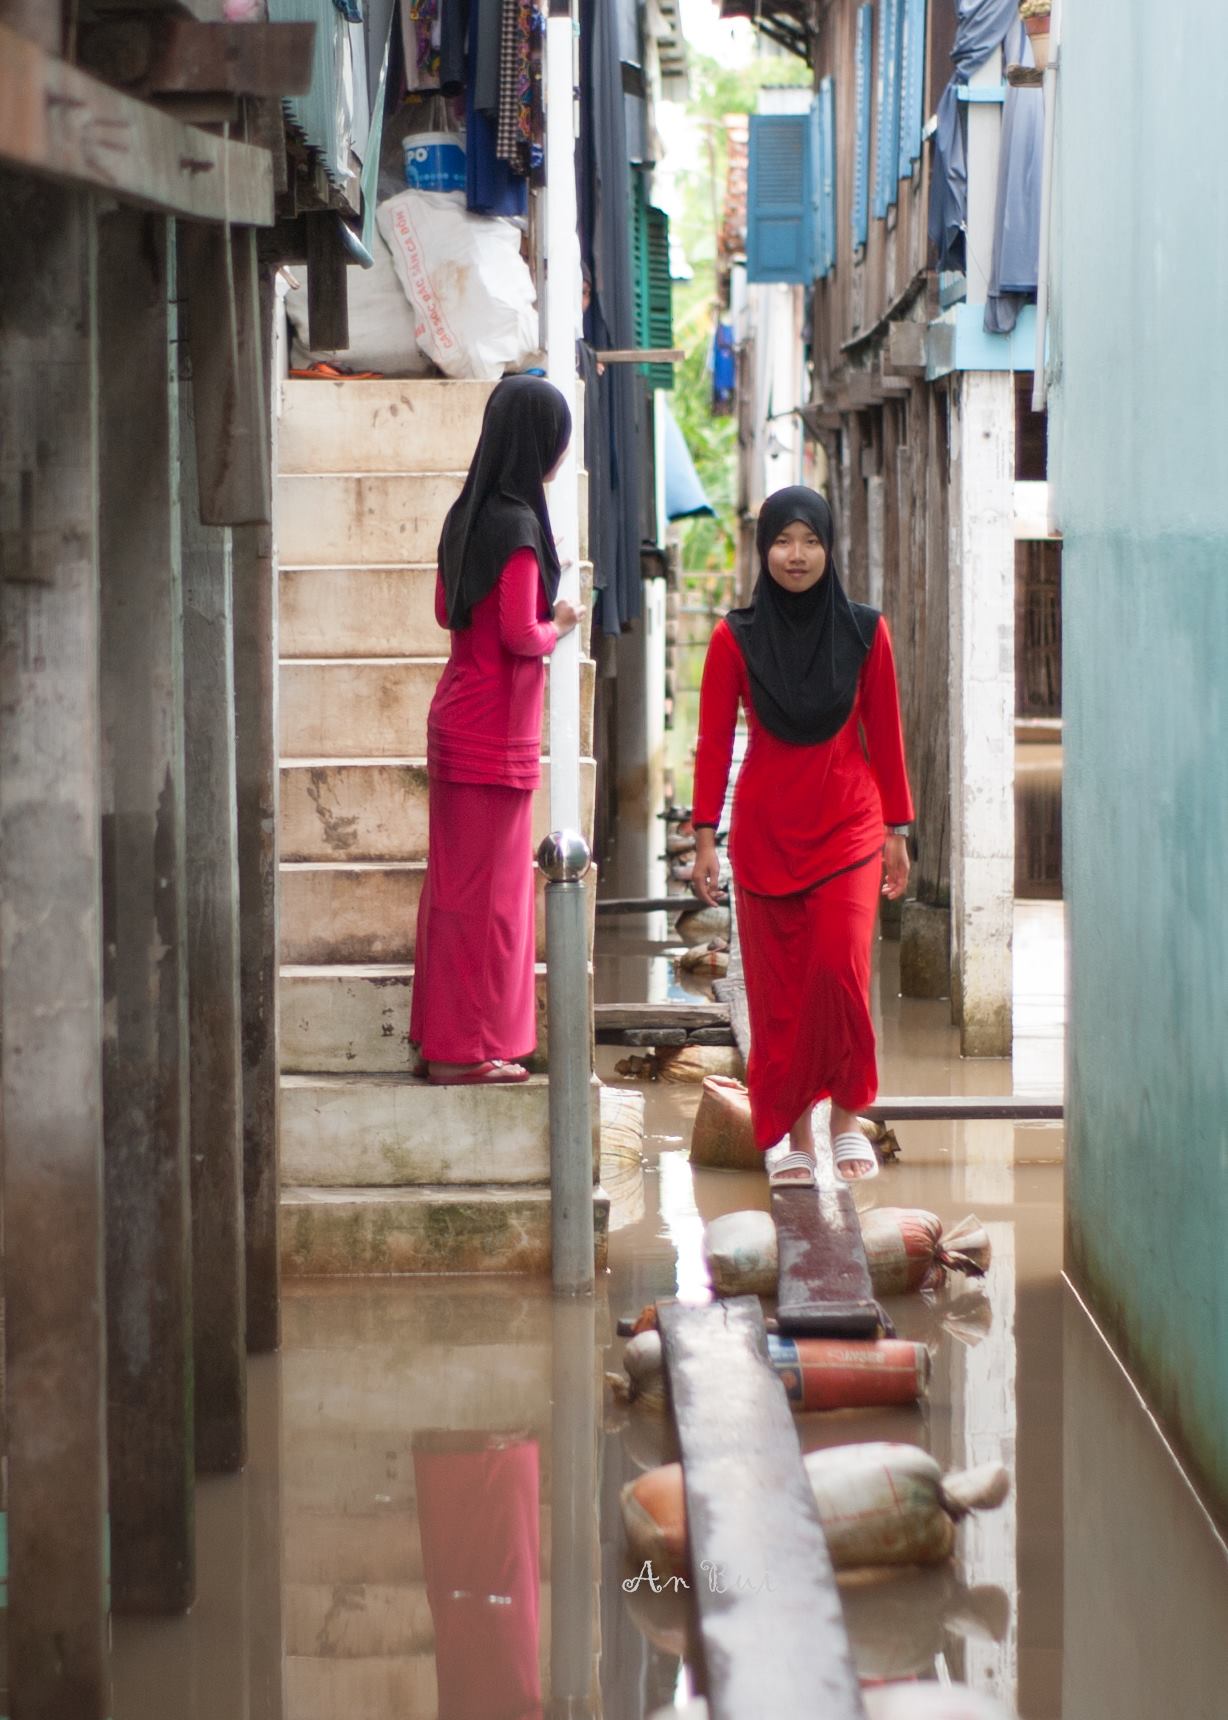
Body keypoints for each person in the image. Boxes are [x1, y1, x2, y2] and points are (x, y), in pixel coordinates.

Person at [689, 485, 913, 1182]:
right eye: (783, 541)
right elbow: (713, 743)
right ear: (764, 550)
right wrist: (704, 837)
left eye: (810, 540)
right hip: (765, 833)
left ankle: (848, 1113)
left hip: (849, 824)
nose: (796, 555)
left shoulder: (866, 633)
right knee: (779, 992)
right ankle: (795, 1140)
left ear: (829, 546)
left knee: (838, 970)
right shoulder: (735, 638)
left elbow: (888, 735)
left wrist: (897, 830)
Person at [410, 375, 584, 1085]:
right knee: (491, 903)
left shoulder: (466, 515)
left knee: (455, 890)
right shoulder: (516, 527)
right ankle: (468, 1049)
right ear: (539, 443)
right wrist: (562, 621)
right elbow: (521, 633)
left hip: (459, 716)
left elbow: (445, 610)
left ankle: (443, 1037)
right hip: (493, 734)